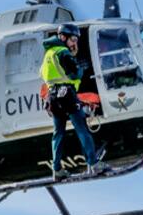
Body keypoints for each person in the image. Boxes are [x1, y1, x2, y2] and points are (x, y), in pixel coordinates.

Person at [41, 23, 100, 179]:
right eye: (73, 39)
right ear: (63, 37)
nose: (75, 43)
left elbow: (43, 74)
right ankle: (94, 164)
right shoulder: (63, 52)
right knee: (81, 128)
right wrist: (81, 69)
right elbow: (74, 75)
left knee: (58, 134)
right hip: (66, 94)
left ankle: (57, 170)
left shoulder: (48, 54)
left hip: (52, 96)